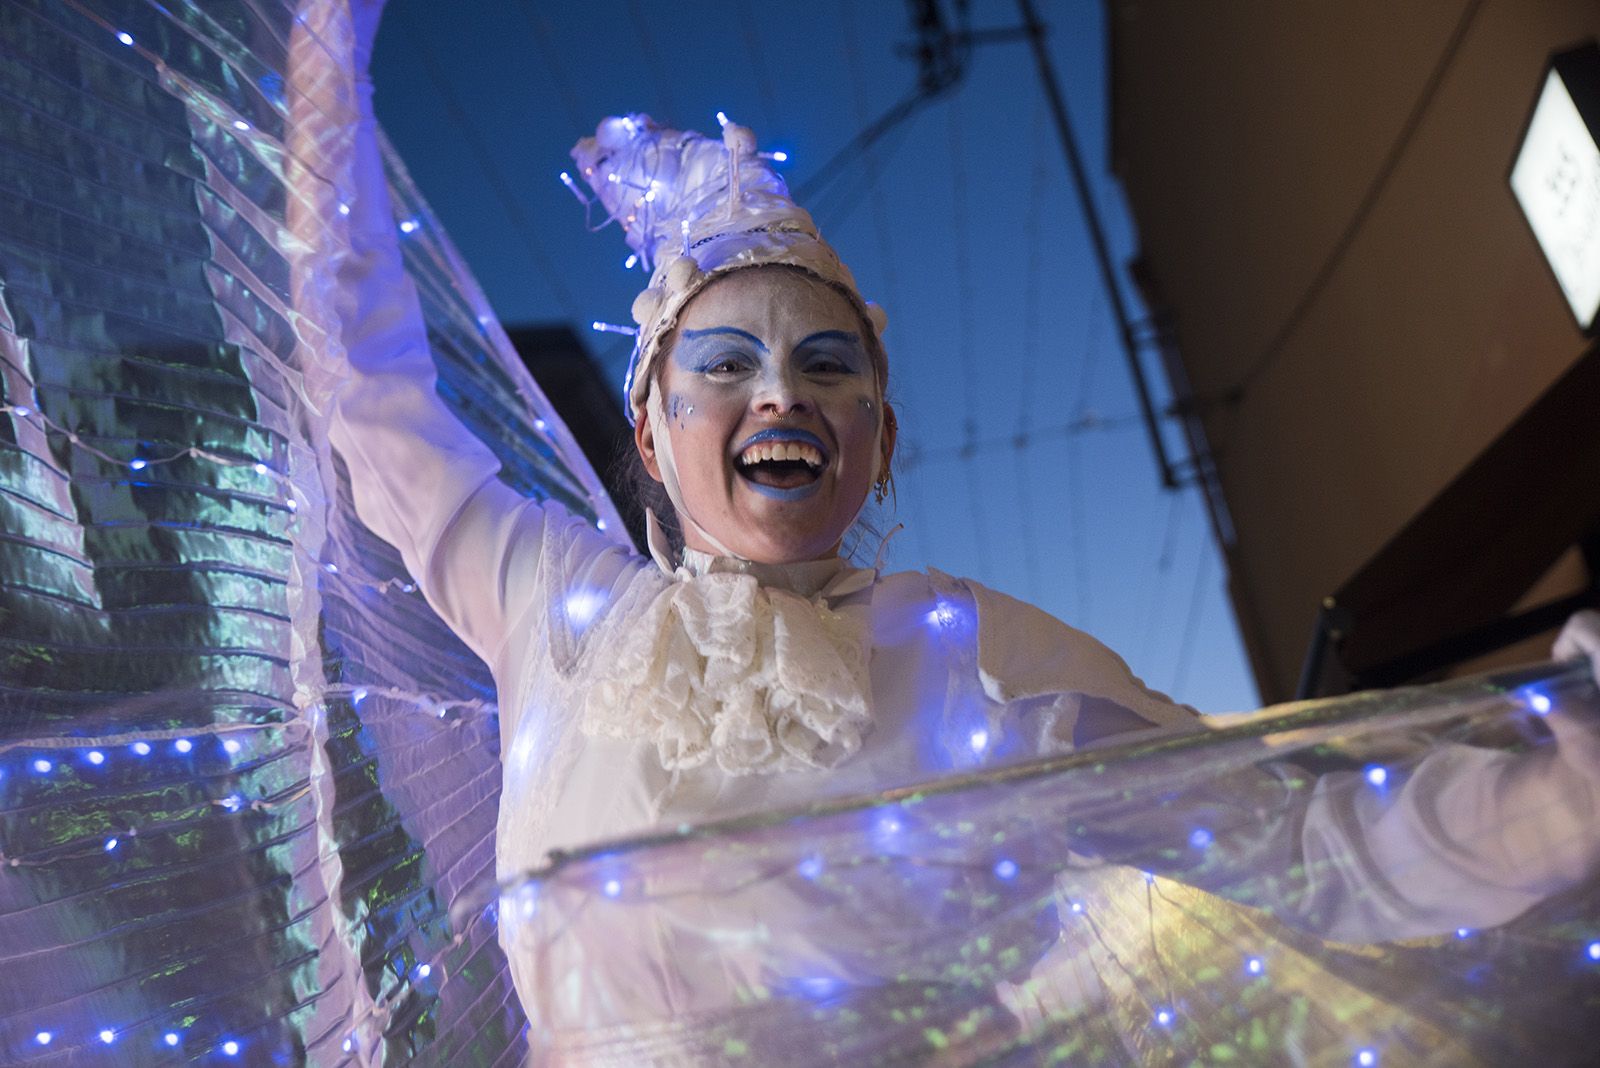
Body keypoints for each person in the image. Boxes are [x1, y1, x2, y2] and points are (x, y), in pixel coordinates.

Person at [326, 17, 1600, 1048]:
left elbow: (1308, 844)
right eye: (725, 364)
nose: (780, 394)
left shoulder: (966, 653)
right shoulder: (554, 604)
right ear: (652, 438)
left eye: (827, 366)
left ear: (875, 443)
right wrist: (323, 70)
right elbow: (372, 408)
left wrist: (1570, 794)